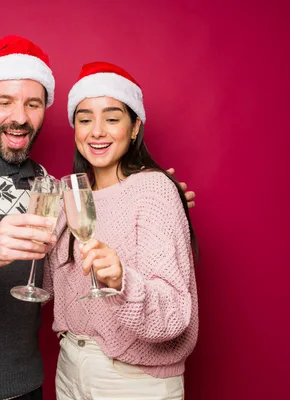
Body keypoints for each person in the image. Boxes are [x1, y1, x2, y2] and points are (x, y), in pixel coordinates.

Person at [0, 35, 196, 400]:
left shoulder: (46, 185)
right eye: (4, 102)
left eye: (33, 104)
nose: (20, 117)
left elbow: (67, 265)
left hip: (28, 385)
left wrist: (154, 190)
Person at [44, 62, 199, 399]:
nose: (96, 131)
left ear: (134, 127)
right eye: (85, 119)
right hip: (70, 366)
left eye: (112, 118)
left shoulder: (153, 190)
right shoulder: (67, 198)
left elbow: (174, 316)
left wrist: (121, 282)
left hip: (131, 379)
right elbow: (48, 289)